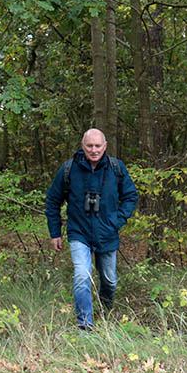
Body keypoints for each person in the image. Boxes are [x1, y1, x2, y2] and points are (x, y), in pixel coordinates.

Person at [44, 128, 138, 330]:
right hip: (79, 232)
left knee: (110, 281)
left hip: (108, 232)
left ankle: (105, 310)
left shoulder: (116, 168)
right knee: (81, 275)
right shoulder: (69, 169)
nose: (94, 150)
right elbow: (53, 200)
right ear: (82, 147)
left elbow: (131, 197)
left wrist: (117, 221)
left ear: (105, 146)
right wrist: (55, 232)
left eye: (97, 146)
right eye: (89, 146)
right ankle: (85, 324)